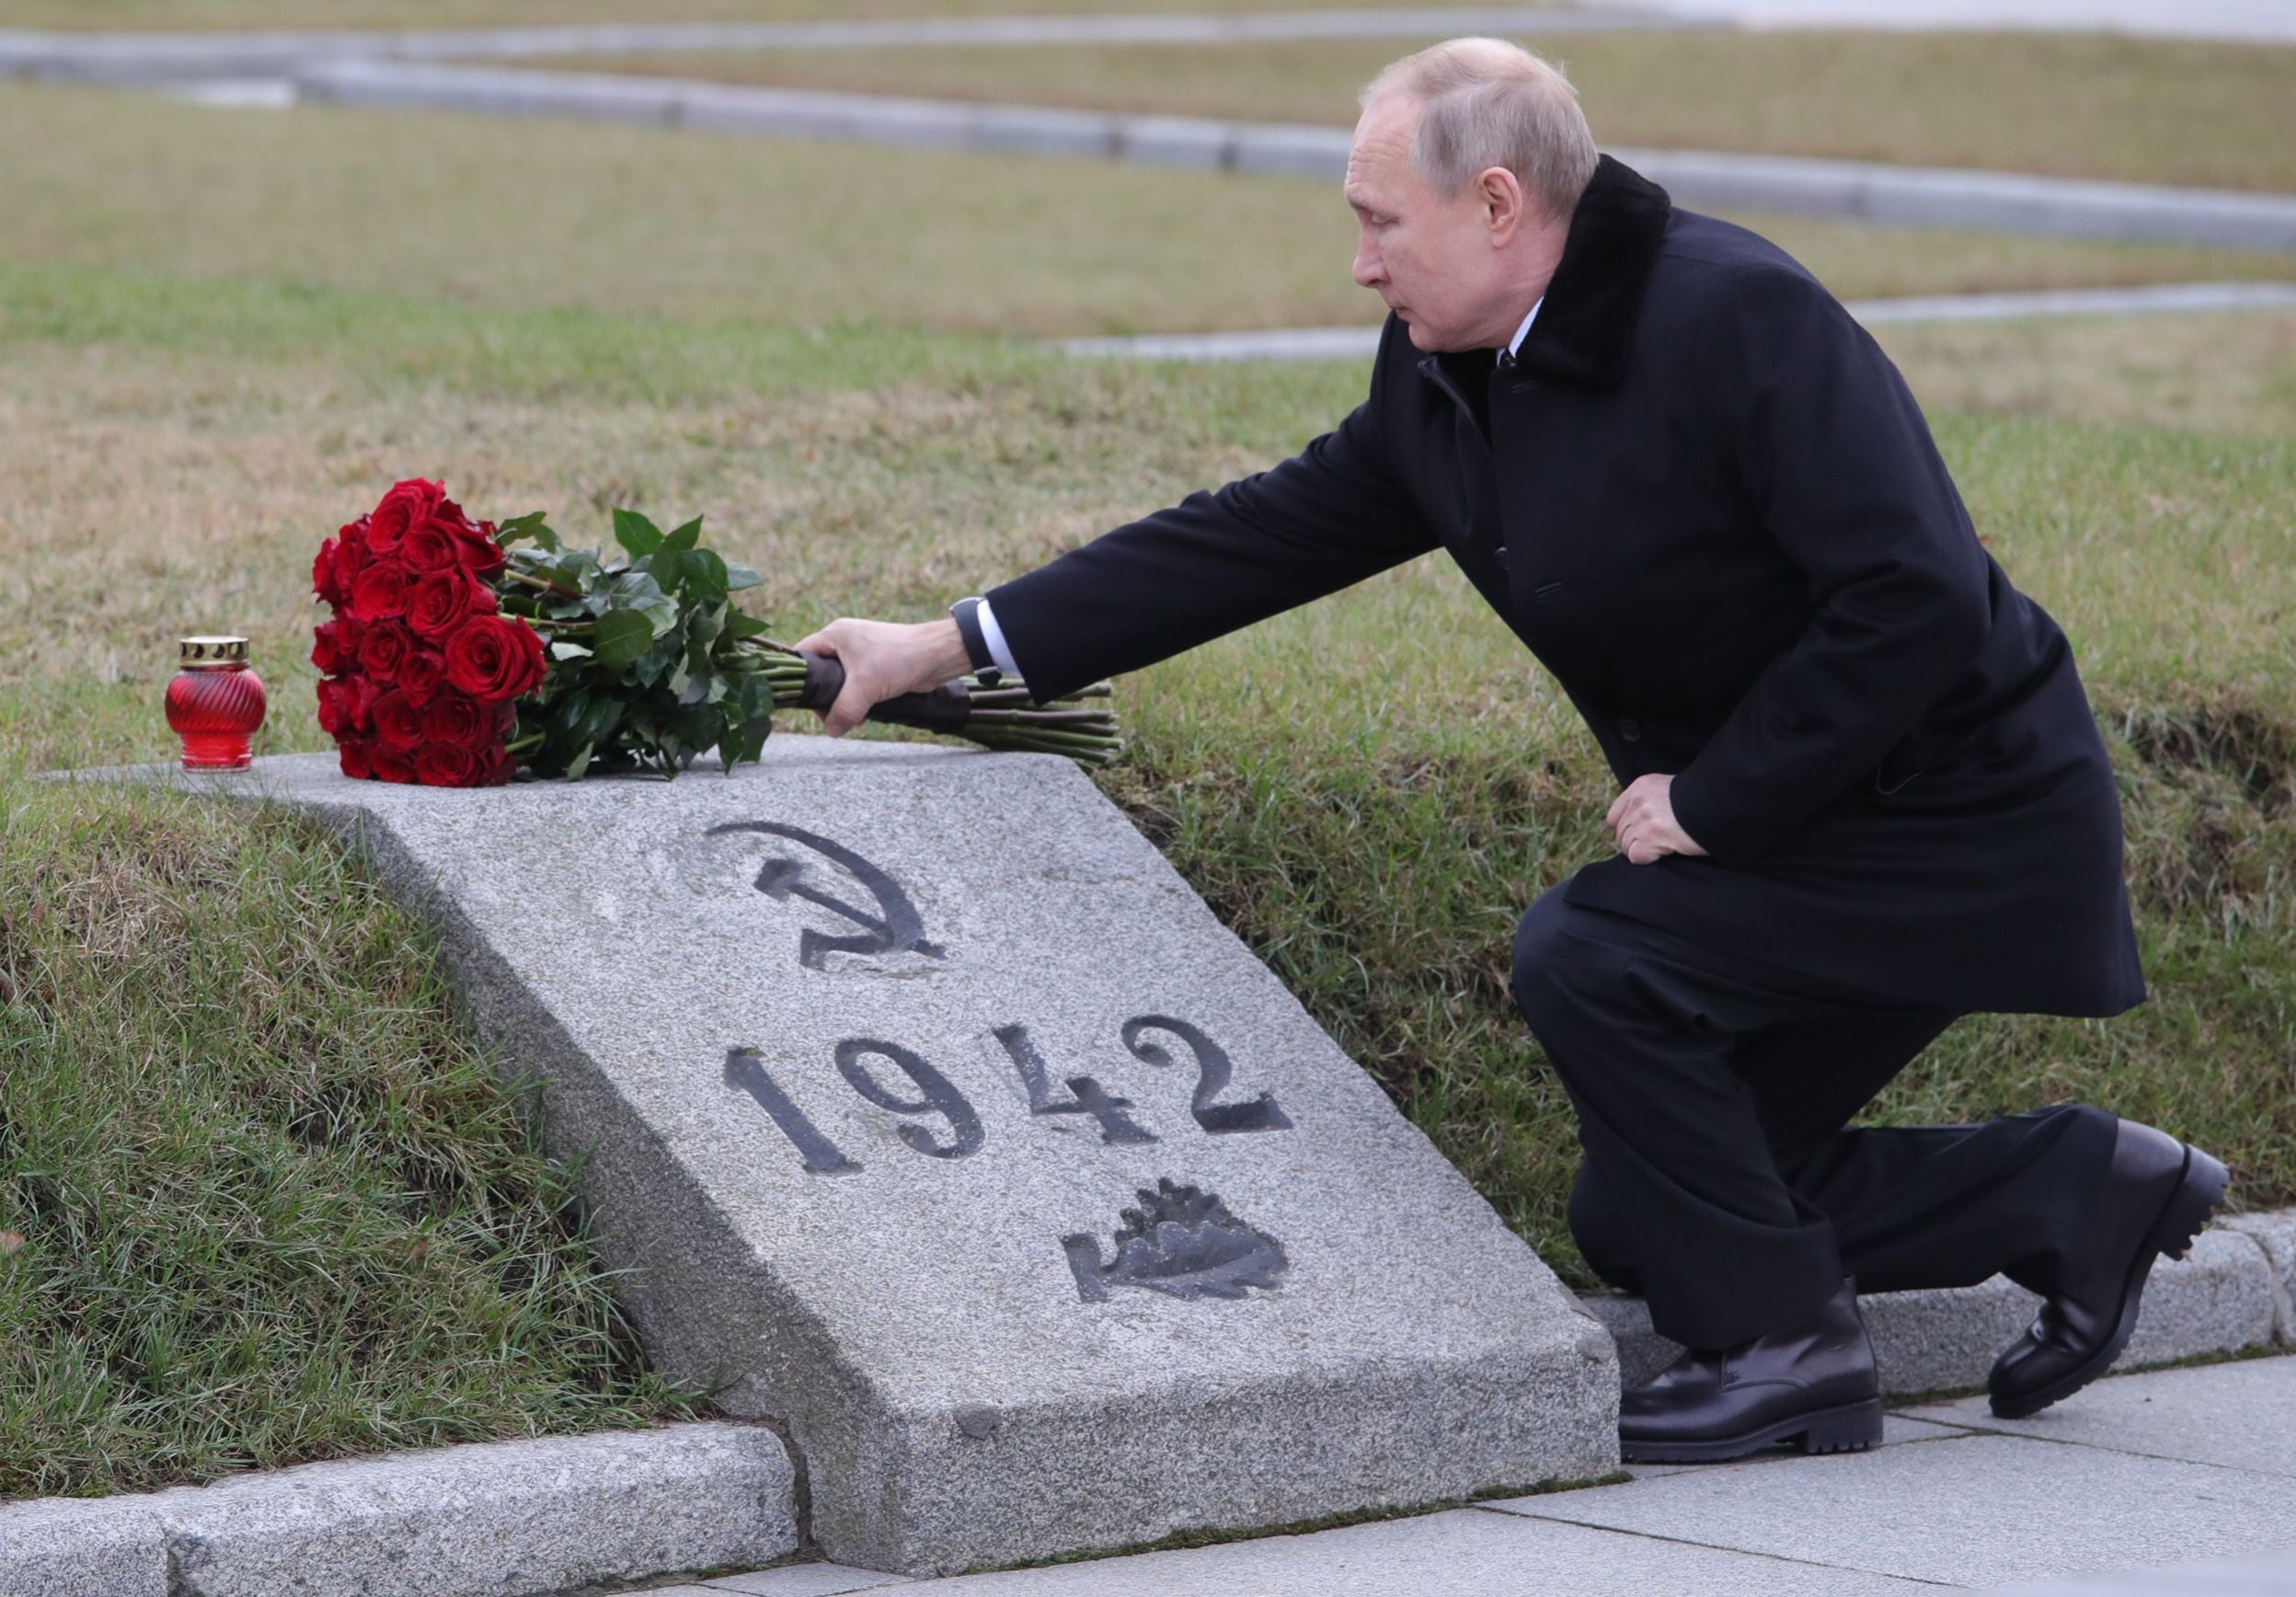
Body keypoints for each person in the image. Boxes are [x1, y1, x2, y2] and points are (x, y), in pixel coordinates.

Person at [793, 37, 2230, 1464]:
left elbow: (1912, 591)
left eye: (1377, 221)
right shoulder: (1448, 358)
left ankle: (1789, 1350)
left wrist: (1722, 800)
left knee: (1596, 951)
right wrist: (952, 643)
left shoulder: (1737, 316)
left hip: (1951, 818)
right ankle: (2077, 1189)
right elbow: (1266, 532)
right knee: (1645, 1216)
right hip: (1820, 824)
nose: (1360, 263)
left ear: (1497, 206)